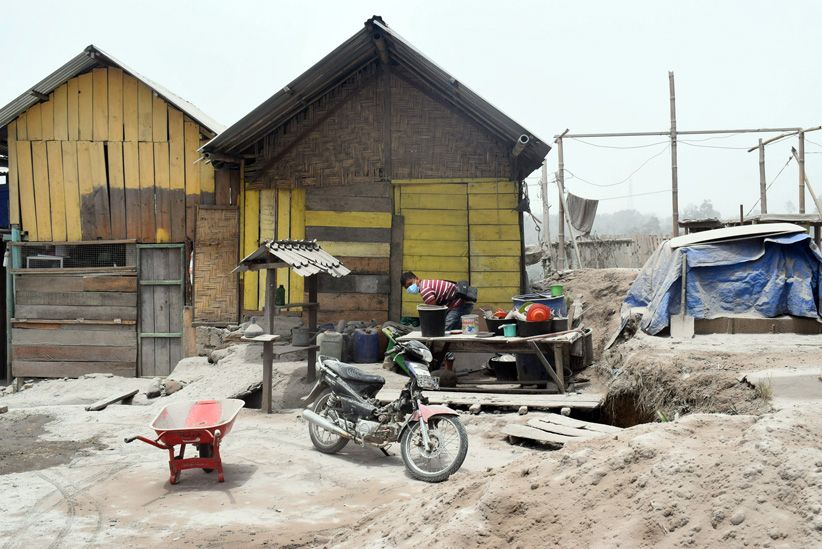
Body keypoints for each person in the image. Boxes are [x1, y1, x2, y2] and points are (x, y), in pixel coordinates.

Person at [401, 271, 475, 331]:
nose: (410, 287)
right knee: (454, 330)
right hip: (461, 303)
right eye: (407, 287)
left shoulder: (424, 289)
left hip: (460, 304)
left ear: (417, 279)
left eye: (410, 284)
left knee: (445, 330)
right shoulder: (426, 284)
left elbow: (434, 311)